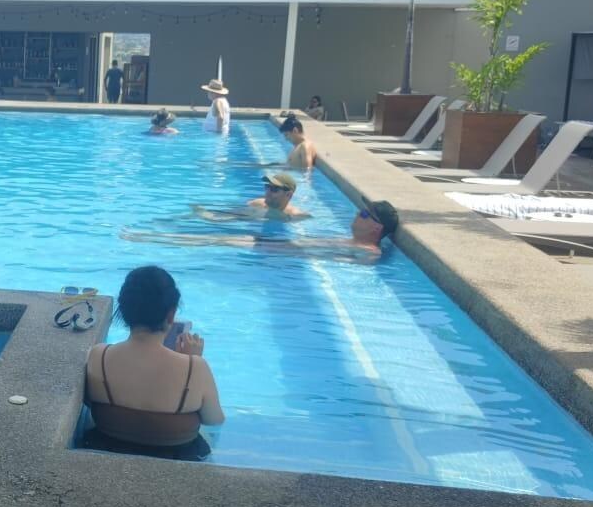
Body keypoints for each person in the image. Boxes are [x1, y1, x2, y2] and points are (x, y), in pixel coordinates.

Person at [84, 266, 224, 459]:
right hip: (177, 459)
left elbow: (89, 403)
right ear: (171, 314)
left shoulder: (98, 356)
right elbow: (214, 420)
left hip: (106, 449)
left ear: (123, 311)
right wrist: (191, 361)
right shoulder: (195, 368)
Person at [126, 197, 399, 264]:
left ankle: (149, 238)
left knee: (215, 240)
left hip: (273, 250)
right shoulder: (356, 244)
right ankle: (150, 237)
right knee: (216, 238)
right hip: (271, 245)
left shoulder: (368, 252)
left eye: (364, 213)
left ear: (376, 227)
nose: (357, 213)